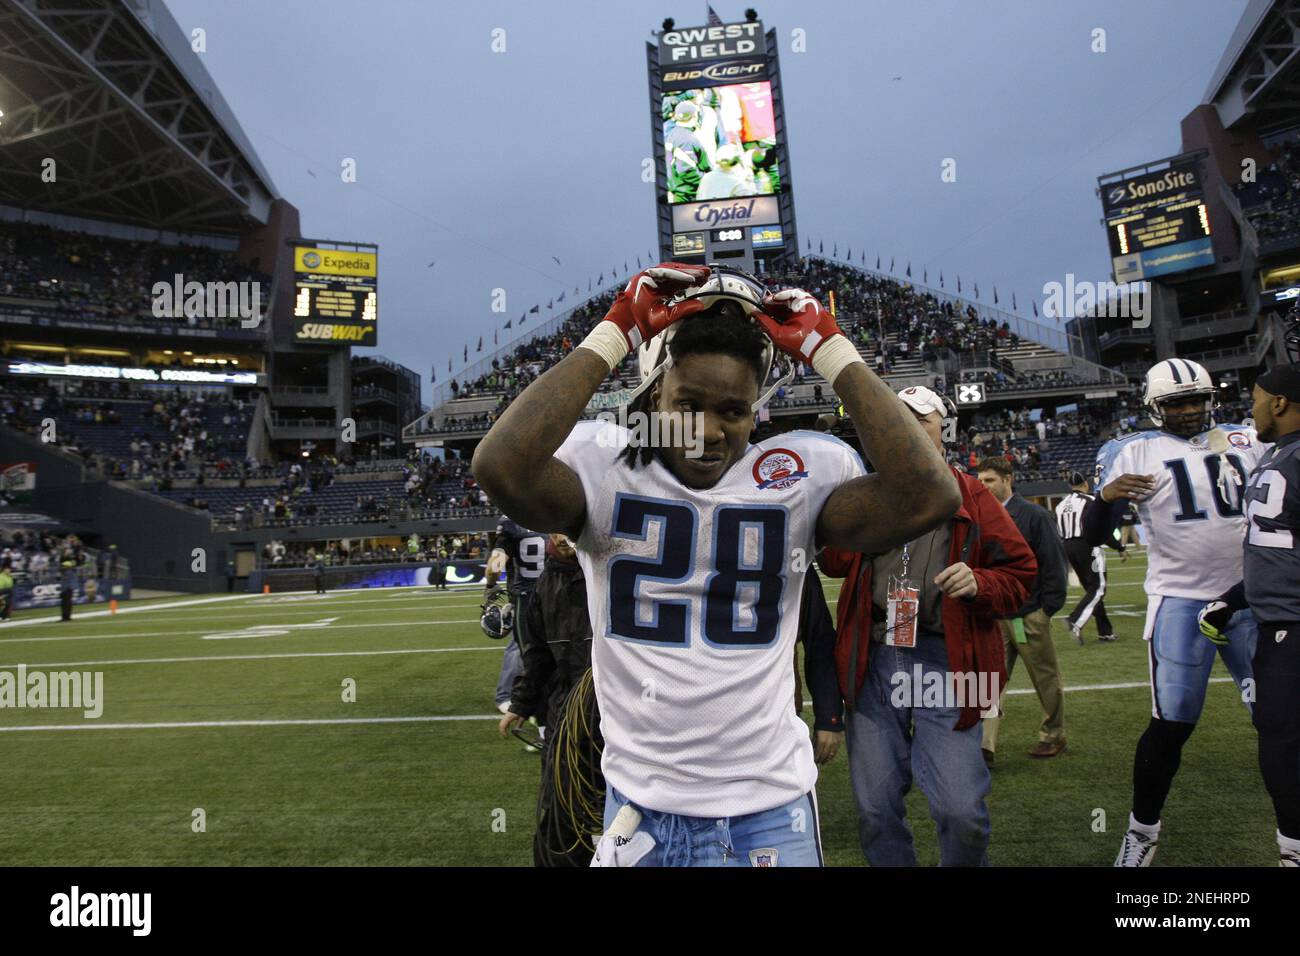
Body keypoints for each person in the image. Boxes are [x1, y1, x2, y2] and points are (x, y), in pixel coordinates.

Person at [472, 264, 960, 867]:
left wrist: (831, 352)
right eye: (688, 403)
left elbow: (929, 495)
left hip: (768, 805)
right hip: (641, 807)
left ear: (757, 410)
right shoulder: (606, 470)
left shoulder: (800, 475)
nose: (707, 429)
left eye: (733, 409)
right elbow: (501, 466)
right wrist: (616, 330)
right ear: (654, 394)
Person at [820, 386, 1037, 866]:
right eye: (898, 418)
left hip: (948, 659)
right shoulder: (864, 492)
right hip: (875, 656)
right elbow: (833, 562)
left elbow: (1020, 575)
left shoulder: (974, 495)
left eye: (923, 419)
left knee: (962, 810)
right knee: (875, 809)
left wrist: (980, 582)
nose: (910, 427)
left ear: (946, 429)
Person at [1085, 358, 1269, 866]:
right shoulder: (1130, 450)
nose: (1189, 411)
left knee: (1278, 721)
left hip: (1251, 599)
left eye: (1197, 400)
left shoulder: (1248, 438)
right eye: (1176, 403)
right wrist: (1105, 497)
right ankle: (1142, 830)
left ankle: (1291, 836)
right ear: (1153, 407)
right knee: (1171, 722)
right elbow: (1093, 535)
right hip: (1181, 601)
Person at [1196, 365, 1300, 866]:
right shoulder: (1277, 454)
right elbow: (1274, 551)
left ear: (1279, 403)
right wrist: (1233, 599)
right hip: (1275, 620)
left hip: (1293, 625)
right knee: (1278, 737)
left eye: (1257, 398)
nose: (1251, 407)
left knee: (1282, 743)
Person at [976, 457, 1068, 762]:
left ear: (1007, 479)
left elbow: (1054, 563)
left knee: (1044, 678)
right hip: (995, 616)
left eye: (990, 480)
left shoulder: (1034, 515)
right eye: (981, 480)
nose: (984, 486)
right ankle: (985, 744)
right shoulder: (980, 516)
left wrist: (1046, 609)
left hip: (1027, 615)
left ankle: (1053, 734)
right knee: (989, 680)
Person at [486, 517, 547, 715]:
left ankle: (512, 697)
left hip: (524, 597)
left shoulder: (511, 523)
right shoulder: (551, 514)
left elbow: (494, 567)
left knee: (525, 651)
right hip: (551, 592)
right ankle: (514, 697)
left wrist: (490, 585)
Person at [1056, 470, 1123, 644]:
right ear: (1086, 484)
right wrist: (1119, 547)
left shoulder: (1060, 504)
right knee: (1099, 588)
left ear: (1070, 486)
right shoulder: (1090, 501)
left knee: (1092, 591)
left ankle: (1105, 631)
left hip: (1068, 547)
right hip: (1088, 546)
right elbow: (1101, 528)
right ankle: (1074, 621)